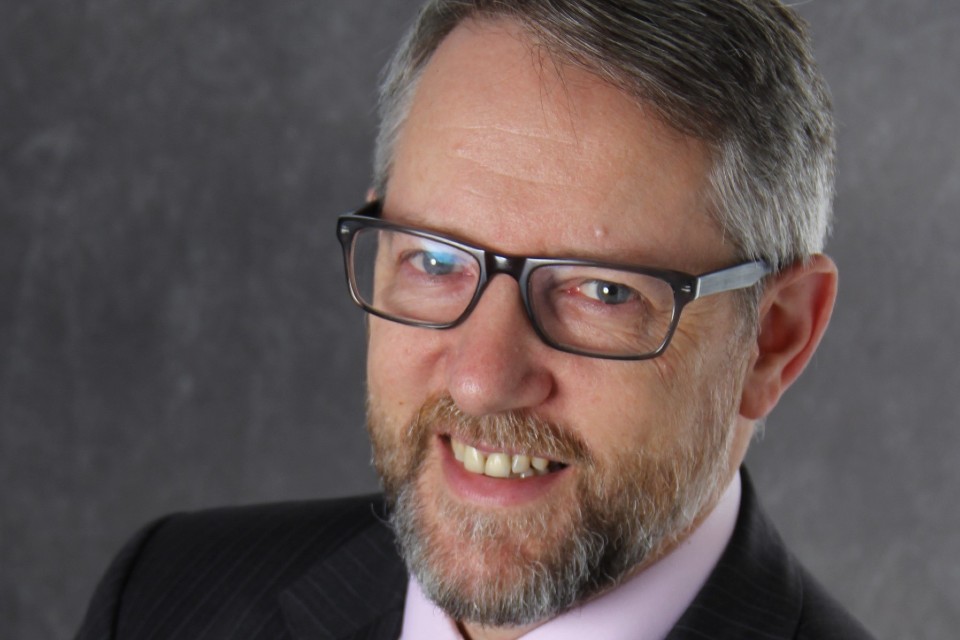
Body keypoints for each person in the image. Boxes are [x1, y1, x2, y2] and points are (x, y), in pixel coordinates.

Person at [75, 1, 875, 638]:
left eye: (602, 292)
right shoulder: (163, 600)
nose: (483, 379)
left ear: (775, 339)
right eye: (434, 261)